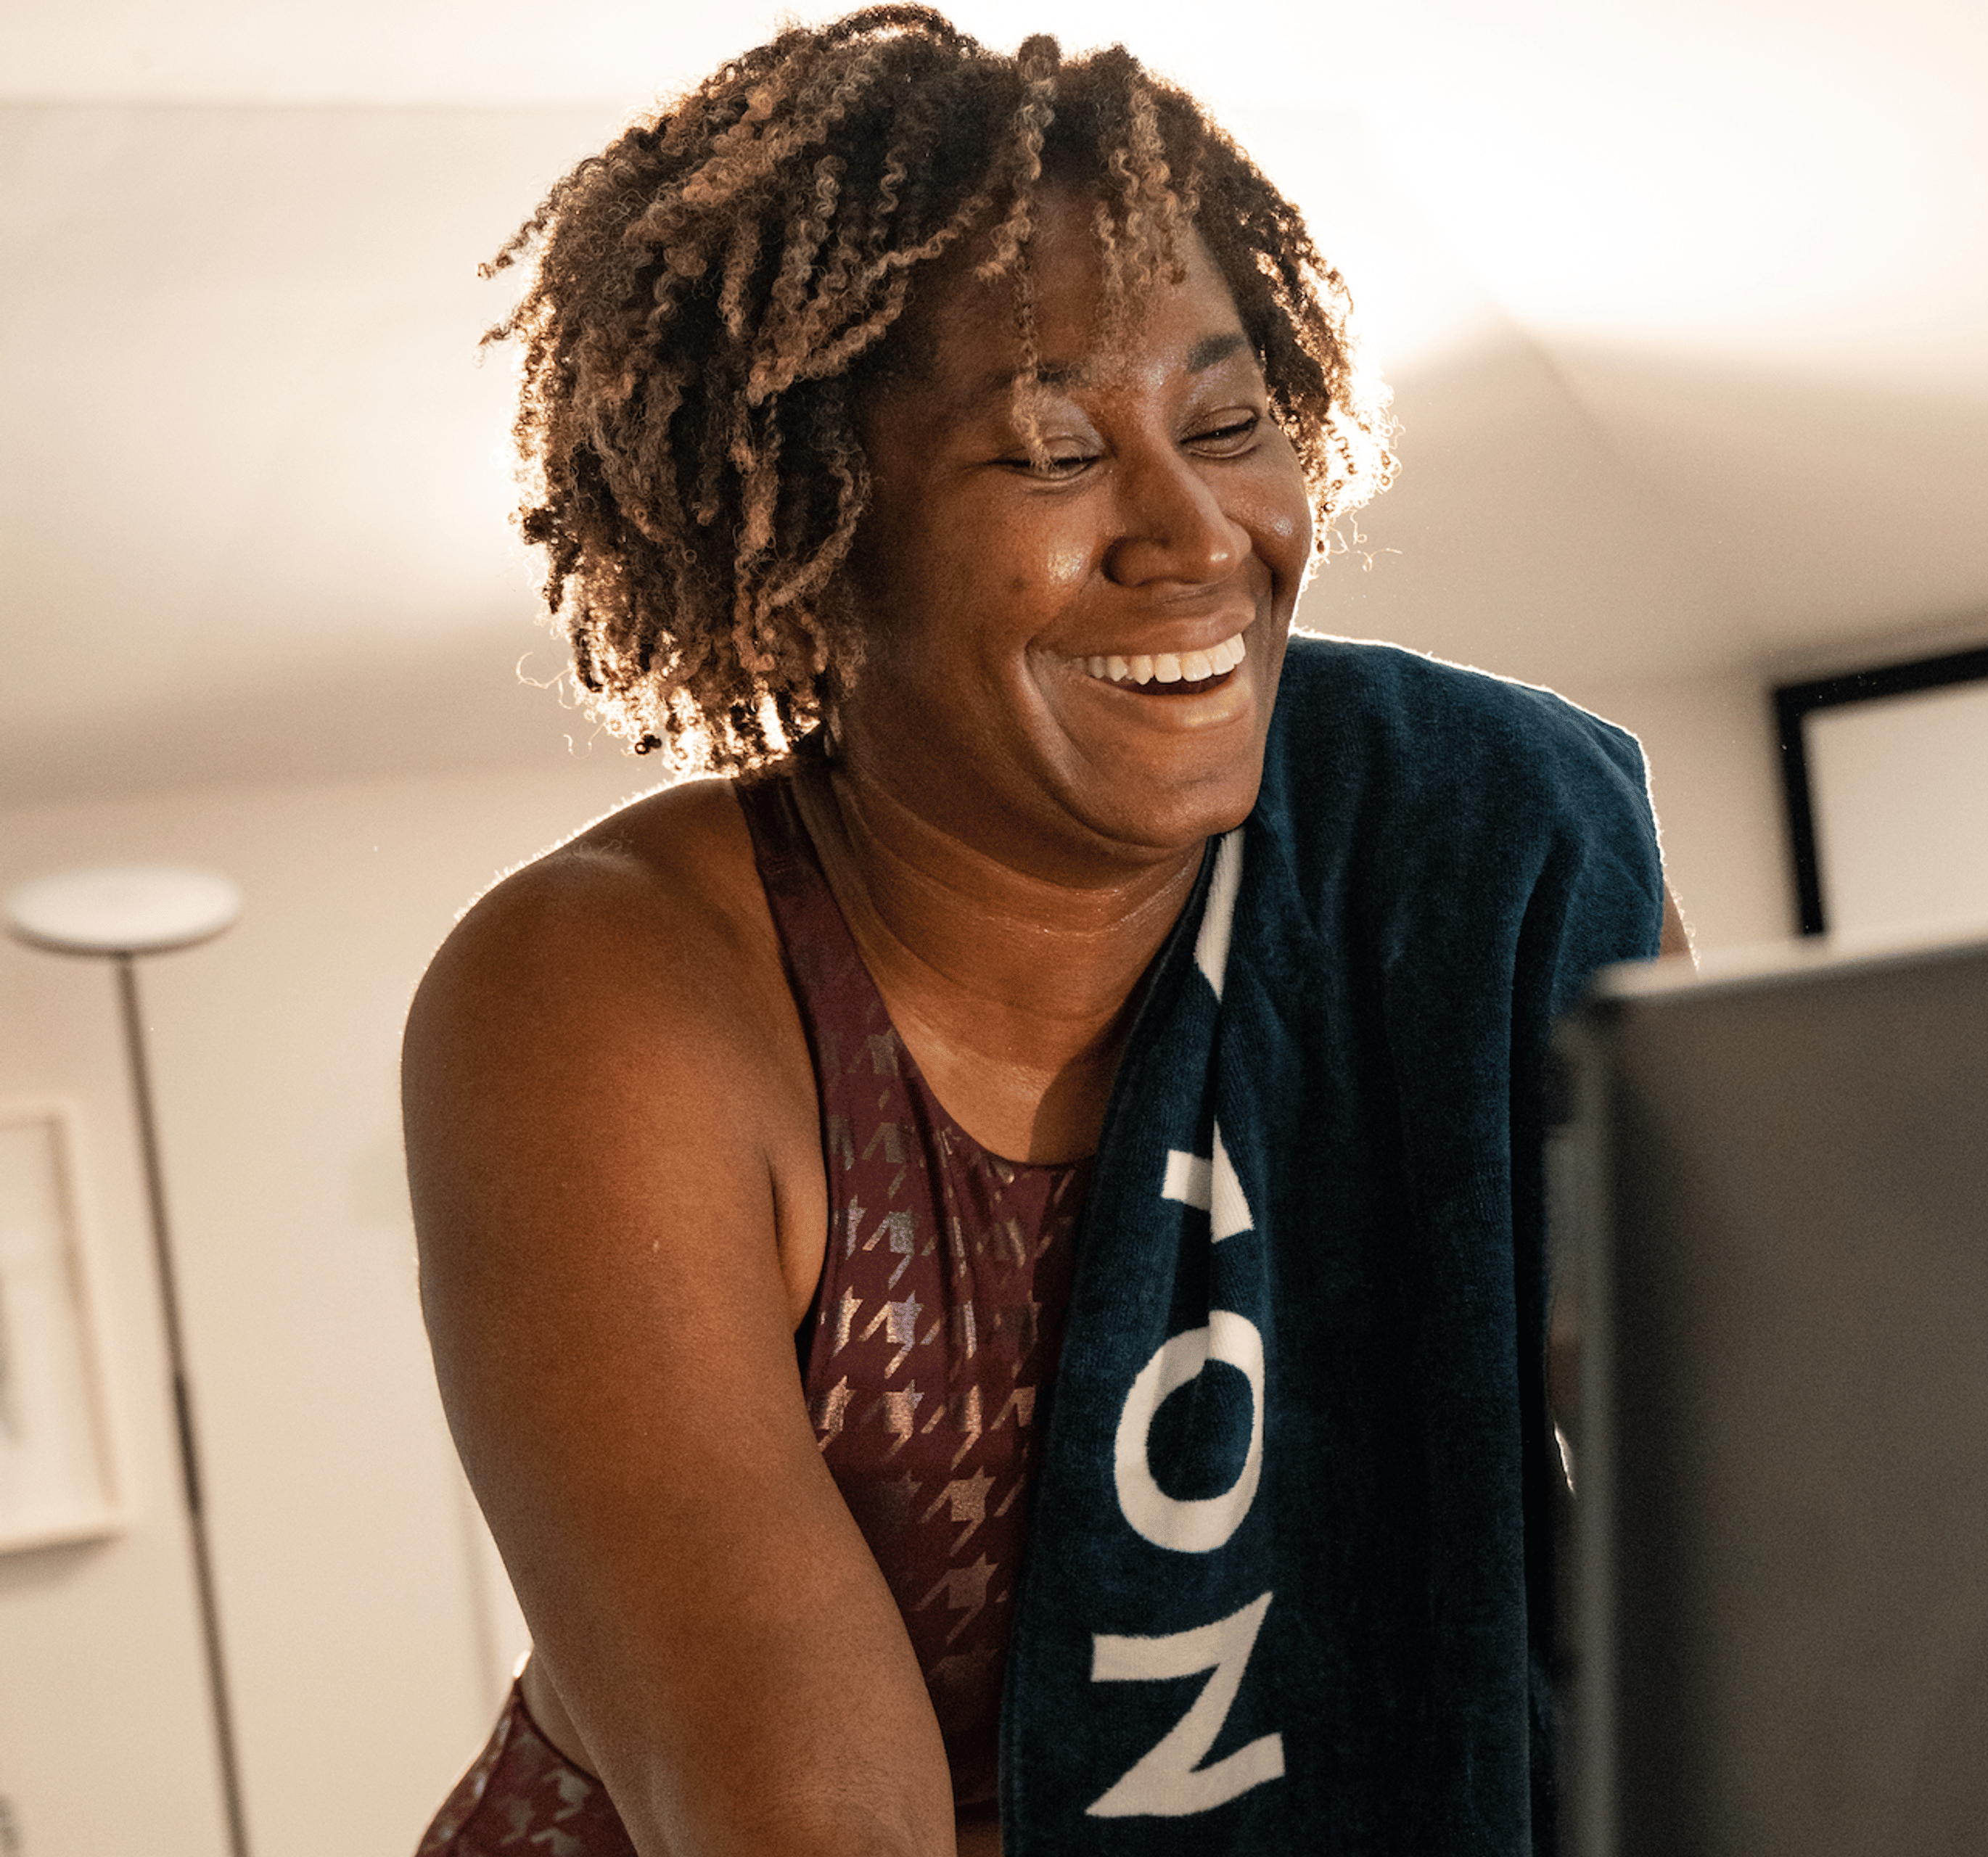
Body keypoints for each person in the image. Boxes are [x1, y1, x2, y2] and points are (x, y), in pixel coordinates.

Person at [405, 11, 1680, 1855]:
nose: (1194, 534)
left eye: (1230, 421)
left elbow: (1755, 1513)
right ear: (817, 543)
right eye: (1052, 454)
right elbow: (805, 1805)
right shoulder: (614, 1003)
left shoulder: (1482, 847)